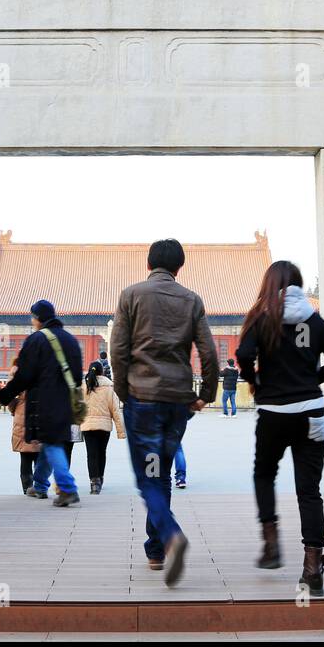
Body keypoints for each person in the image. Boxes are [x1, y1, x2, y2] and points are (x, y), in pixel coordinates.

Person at [236, 261, 324, 597]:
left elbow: (243, 353)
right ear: (299, 285)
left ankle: (271, 544)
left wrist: (254, 379)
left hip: (273, 412)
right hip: (311, 413)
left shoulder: (263, 318)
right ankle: (312, 567)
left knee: (264, 474)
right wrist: (316, 378)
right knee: (308, 490)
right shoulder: (314, 321)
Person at [111, 238, 220, 586]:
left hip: (143, 400)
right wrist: (206, 394)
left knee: (148, 477)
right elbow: (209, 353)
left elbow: (118, 348)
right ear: (179, 267)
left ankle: (170, 535)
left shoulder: (131, 295)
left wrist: (124, 390)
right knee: (161, 471)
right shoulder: (191, 300)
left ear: (149, 264)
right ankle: (155, 549)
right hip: (176, 402)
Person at [0, 300, 84, 507]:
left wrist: (5, 395)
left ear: (37, 318)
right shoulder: (71, 340)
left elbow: (24, 376)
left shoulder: (36, 340)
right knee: (50, 441)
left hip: (43, 403)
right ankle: (40, 484)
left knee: (51, 443)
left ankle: (68, 489)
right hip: (67, 401)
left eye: (32, 317)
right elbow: (78, 377)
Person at [81, 360, 125, 494]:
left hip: (88, 426)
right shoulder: (109, 388)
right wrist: (121, 431)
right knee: (101, 453)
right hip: (104, 427)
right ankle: (100, 477)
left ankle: (94, 483)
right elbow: (115, 410)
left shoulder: (84, 387)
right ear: (102, 372)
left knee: (91, 454)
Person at [5, 366, 41, 495]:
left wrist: (14, 408)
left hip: (22, 412)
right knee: (39, 455)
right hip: (41, 411)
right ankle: (40, 487)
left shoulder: (17, 371)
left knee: (25, 456)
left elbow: (8, 395)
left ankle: (27, 488)